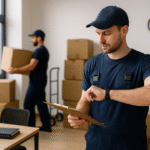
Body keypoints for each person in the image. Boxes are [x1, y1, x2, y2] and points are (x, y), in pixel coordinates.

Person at [68, 6, 150, 150]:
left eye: (106, 33)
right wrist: (79, 114)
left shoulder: (144, 62)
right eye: (98, 33)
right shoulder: (92, 64)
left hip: (130, 145)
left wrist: (107, 93)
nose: (100, 40)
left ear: (124, 30)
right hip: (95, 143)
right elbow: (85, 99)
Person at [8, 30, 52, 132]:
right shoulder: (44, 50)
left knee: (28, 103)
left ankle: (30, 128)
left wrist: (15, 70)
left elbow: (31, 66)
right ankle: (46, 125)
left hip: (36, 82)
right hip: (40, 81)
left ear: (39, 38)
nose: (32, 40)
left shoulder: (39, 51)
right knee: (41, 103)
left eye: (33, 37)